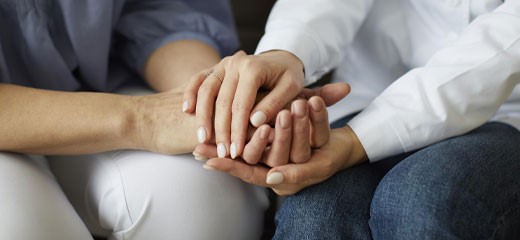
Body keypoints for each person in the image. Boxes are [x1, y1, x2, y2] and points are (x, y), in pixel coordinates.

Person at [185, 0, 520, 239]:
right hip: (364, 102)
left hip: (504, 113)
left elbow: (505, 44)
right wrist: (284, 54)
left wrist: (355, 141)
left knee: (421, 199)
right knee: (315, 215)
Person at [0, 1, 274, 239]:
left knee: (206, 205)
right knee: (24, 228)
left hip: (109, 77)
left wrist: (216, 99)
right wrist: (145, 119)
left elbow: (160, 11)